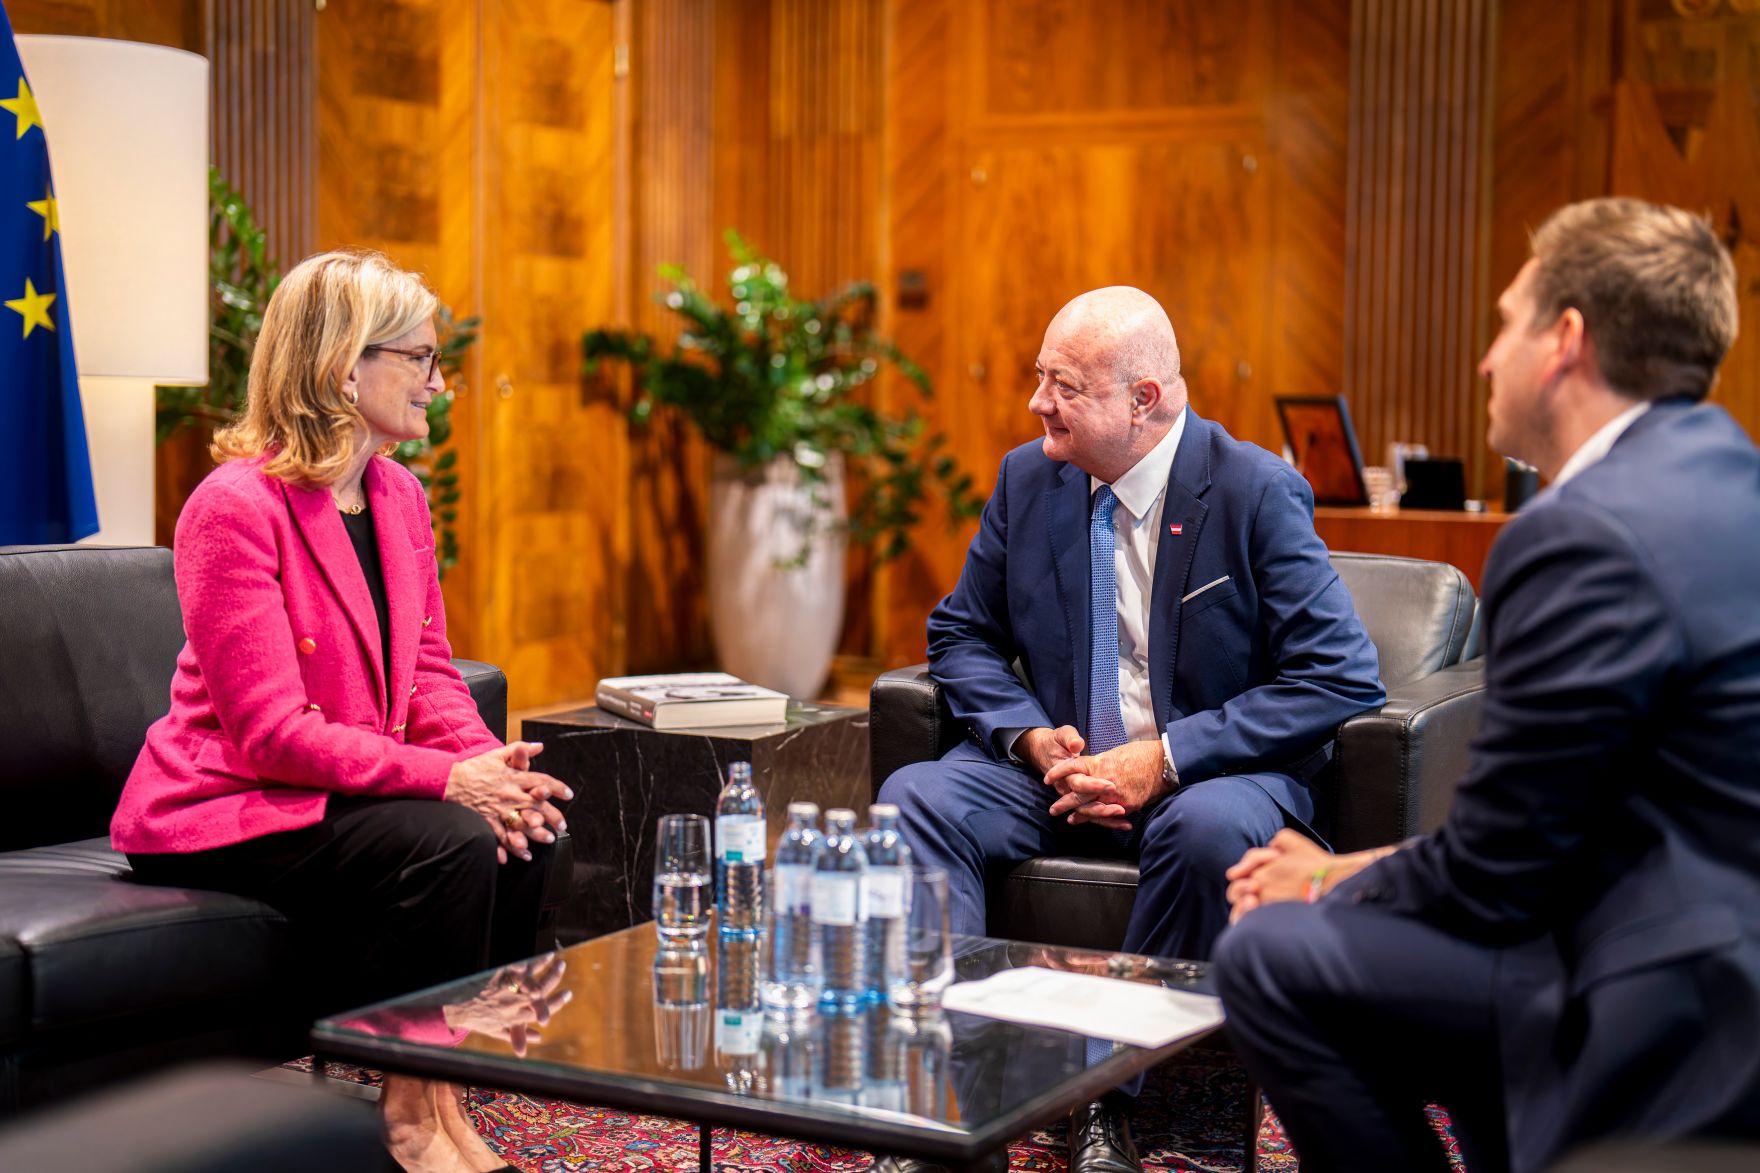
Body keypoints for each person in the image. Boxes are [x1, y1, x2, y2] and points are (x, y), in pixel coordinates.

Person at [1214, 197, 1760, 1173]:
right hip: (1699, 932)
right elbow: (1558, 819)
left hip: (1663, 995)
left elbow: (1493, 883)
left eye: (1503, 321)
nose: (1483, 358)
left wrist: (1324, 878)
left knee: (1269, 956)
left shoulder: (1578, 533)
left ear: (1564, 340)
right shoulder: (1732, 479)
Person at [876, 286, 1385, 1173]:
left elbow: (1340, 674)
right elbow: (961, 633)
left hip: (1208, 775)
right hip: (1063, 765)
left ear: (1142, 399)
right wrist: (1031, 737)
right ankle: (954, 1086)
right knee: (915, 797)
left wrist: (1167, 757)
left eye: (1062, 384)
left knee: (1206, 829)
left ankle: (1101, 1096)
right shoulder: (1029, 479)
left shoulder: (1255, 489)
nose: (1038, 402)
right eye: (1040, 378)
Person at [111, 249, 573, 1173]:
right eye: (421, 359)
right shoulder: (232, 508)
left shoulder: (399, 494)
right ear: (343, 364)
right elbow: (270, 733)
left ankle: (444, 1086)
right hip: (231, 802)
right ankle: (405, 1110)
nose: (439, 383)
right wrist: (448, 779)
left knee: (531, 828)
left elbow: (430, 673)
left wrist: (491, 770)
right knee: (444, 837)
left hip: (332, 784)